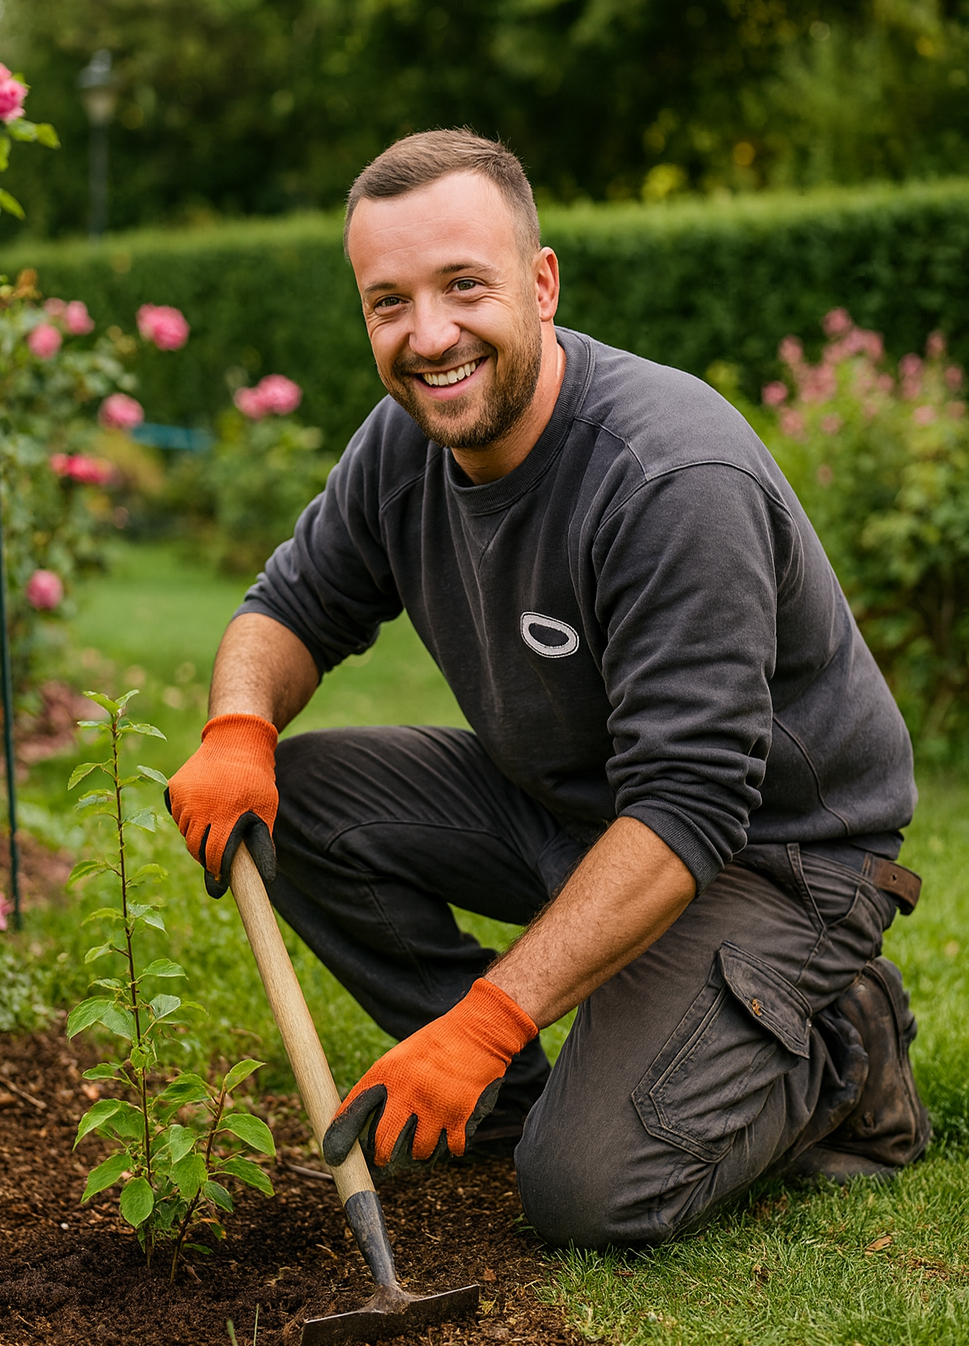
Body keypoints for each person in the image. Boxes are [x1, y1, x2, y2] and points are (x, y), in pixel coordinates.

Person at [167, 129, 930, 1247]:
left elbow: (688, 809)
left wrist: (482, 1018)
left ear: (540, 282)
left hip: (776, 855)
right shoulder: (404, 442)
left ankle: (838, 1051)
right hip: (571, 802)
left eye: (462, 286)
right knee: (303, 797)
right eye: (389, 302)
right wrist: (237, 723)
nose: (428, 337)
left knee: (588, 1192)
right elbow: (286, 607)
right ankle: (511, 1102)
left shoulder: (669, 477)